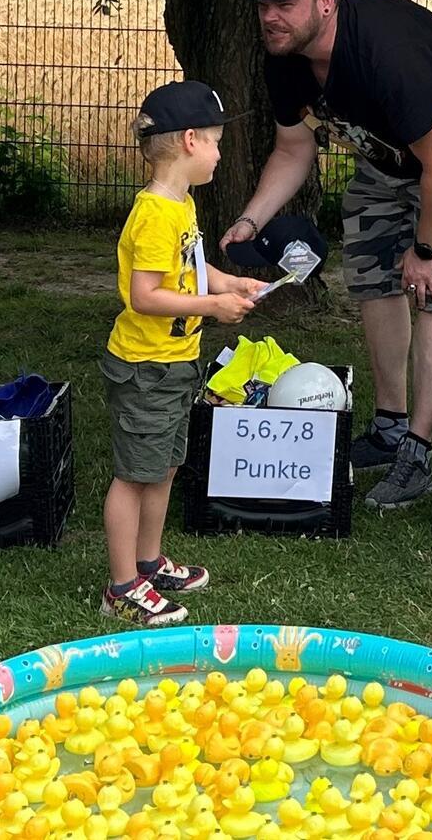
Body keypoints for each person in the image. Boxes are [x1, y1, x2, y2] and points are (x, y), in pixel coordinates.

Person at [222, 0, 432, 509]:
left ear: (326, 2)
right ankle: (390, 427)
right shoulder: (285, 58)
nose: (269, 17)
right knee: (373, 279)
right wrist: (252, 219)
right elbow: (292, 148)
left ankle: (419, 454)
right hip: (384, 157)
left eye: (284, 4)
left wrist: (426, 250)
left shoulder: (386, 53)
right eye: (262, 6)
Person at [100, 81, 266, 626]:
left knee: (164, 466)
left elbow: (191, 267)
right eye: (217, 142)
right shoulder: (154, 215)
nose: (221, 153)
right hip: (145, 368)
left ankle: (148, 564)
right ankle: (122, 586)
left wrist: (230, 283)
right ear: (191, 141)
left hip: (175, 365)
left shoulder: (182, 206)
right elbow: (143, 295)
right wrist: (213, 306)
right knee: (133, 475)